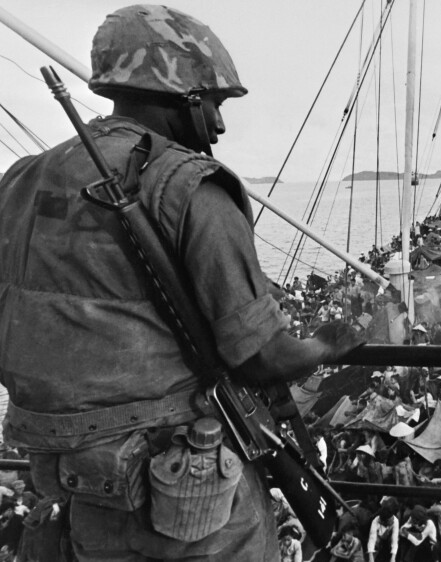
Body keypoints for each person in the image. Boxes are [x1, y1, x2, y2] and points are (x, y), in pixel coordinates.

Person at [0, 5, 364, 561]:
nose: (218, 125)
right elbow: (261, 357)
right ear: (181, 97)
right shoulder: (188, 185)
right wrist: (328, 343)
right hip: (189, 497)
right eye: (213, 104)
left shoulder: (22, 179)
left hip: (83, 483)